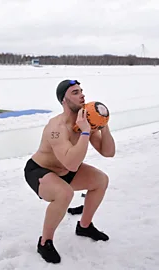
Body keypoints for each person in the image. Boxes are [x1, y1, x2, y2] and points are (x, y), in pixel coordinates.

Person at [23, 79, 115, 264]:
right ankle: (44, 242)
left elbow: (108, 152)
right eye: (74, 92)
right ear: (63, 100)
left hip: (65, 170)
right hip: (40, 171)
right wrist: (86, 133)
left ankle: (85, 226)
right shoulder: (56, 128)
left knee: (101, 180)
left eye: (81, 91)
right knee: (64, 193)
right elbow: (72, 164)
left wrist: (103, 126)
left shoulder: (84, 121)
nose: (81, 95)